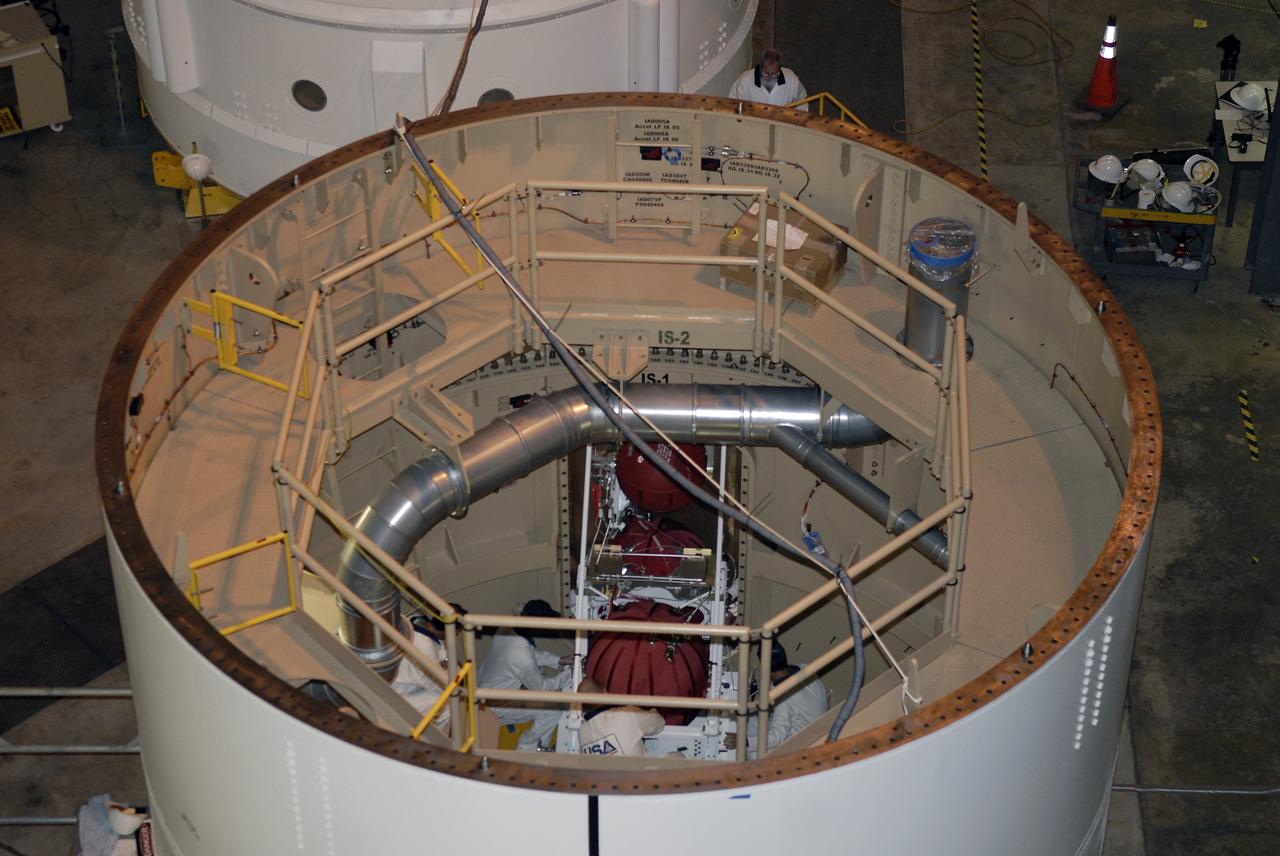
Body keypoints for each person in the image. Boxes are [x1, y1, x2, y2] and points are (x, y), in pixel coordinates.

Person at [476, 599, 573, 750]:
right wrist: (569, 674)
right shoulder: (520, 656)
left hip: (484, 691)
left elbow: (532, 653)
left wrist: (560, 661)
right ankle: (527, 750)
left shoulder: (507, 629)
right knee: (553, 710)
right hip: (495, 706)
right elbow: (543, 689)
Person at [727, 643, 828, 758]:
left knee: (754, 750)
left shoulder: (782, 697)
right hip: (817, 730)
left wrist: (745, 741)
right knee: (752, 715)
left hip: (802, 746)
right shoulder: (805, 669)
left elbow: (777, 737)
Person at [390, 603, 466, 733]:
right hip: (399, 694)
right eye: (458, 630)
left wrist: (447, 663)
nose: (458, 634)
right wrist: (450, 670)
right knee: (449, 704)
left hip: (402, 682)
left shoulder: (417, 621)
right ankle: (432, 740)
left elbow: (444, 655)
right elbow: (439, 685)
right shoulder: (425, 645)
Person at [575, 678, 666, 757]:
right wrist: (652, 710)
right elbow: (659, 723)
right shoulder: (627, 714)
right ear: (605, 692)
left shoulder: (582, 732)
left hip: (602, 777)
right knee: (677, 756)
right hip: (636, 776)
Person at [729, 48, 808, 110]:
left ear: (780, 69)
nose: (769, 78)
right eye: (765, 74)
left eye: (774, 74)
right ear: (760, 67)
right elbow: (732, 103)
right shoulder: (744, 81)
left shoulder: (791, 79)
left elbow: (802, 100)